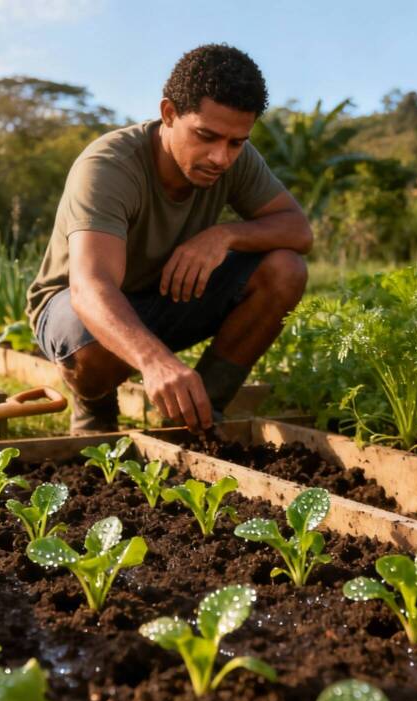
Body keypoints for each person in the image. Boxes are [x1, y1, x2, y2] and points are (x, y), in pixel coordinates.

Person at [27, 43, 312, 435]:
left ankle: (198, 414)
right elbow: (91, 288)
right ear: (169, 113)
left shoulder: (235, 159)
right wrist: (154, 360)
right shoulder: (109, 166)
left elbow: (299, 231)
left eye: (236, 142)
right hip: (79, 310)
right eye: (206, 136)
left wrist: (224, 235)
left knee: (285, 269)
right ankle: (95, 408)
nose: (221, 157)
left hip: (165, 296)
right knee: (86, 339)